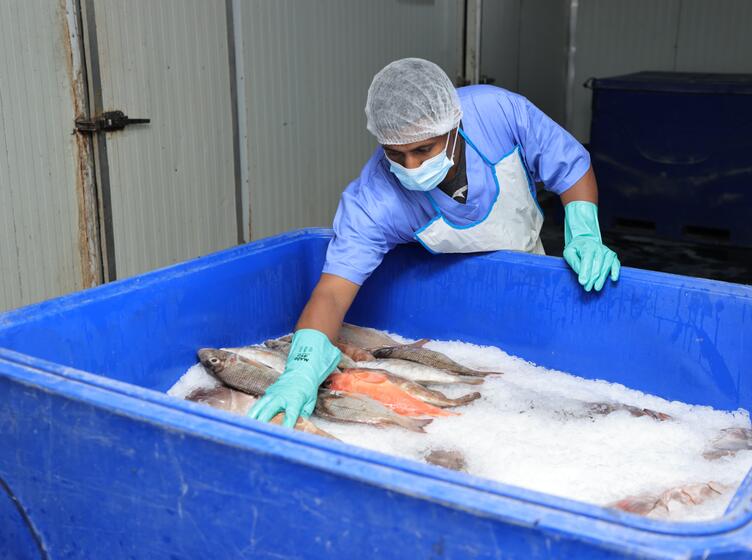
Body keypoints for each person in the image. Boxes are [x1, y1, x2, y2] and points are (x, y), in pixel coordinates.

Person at [249, 58, 620, 427]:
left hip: (526, 268)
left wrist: (586, 234)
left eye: (424, 150)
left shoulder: (497, 112)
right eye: (395, 154)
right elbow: (332, 292)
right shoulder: (373, 201)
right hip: (450, 294)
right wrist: (299, 371)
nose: (410, 167)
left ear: (454, 125)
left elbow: (570, 167)